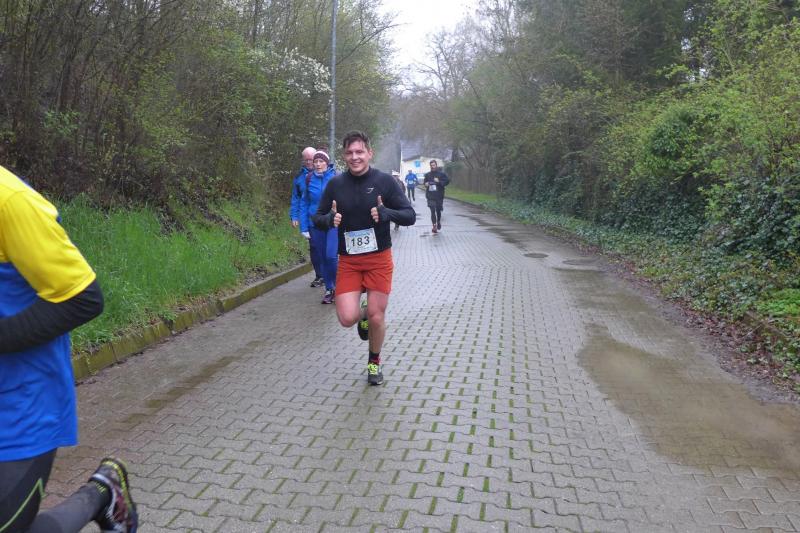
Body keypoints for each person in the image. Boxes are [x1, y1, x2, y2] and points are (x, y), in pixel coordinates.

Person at [0, 165, 138, 532]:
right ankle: (105, 491)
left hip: (20, 407)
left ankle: (101, 494)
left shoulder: (10, 200)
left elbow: (82, 299)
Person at [312, 131, 415, 385]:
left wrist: (386, 213)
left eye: (360, 151)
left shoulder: (385, 182)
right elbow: (317, 218)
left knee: (378, 316)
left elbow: (409, 215)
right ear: (344, 156)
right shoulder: (335, 184)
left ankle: (373, 363)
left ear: (370, 153)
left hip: (379, 259)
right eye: (349, 153)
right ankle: (364, 315)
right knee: (347, 318)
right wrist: (329, 220)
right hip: (349, 261)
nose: (355, 157)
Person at [299, 151, 338, 304]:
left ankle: (338, 285)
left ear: (327, 163)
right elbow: (304, 203)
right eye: (316, 161)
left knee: (331, 256)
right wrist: (304, 227)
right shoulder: (309, 179)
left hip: (333, 223)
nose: (318, 164)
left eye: (321, 161)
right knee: (322, 258)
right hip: (315, 224)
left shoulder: (335, 178)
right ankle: (330, 289)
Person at [290, 146, 324, 288]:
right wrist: (294, 216)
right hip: (310, 218)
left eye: (311, 159)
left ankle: (331, 274)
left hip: (327, 218)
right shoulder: (299, 178)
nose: (309, 162)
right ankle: (319, 276)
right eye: (306, 160)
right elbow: (296, 198)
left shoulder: (327, 174)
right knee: (314, 247)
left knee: (328, 248)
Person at [423, 159, 450, 234]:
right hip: (430, 195)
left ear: (436, 165)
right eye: (431, 165)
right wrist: (425, 184)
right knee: (432, 210)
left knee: (438, 210)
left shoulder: (441, 174)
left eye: (434, 165)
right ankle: (434, 226)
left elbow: (447, 181)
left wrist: (439, 181)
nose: (433, 167)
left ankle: (438, 221)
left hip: (439, 196)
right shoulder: (427, 175)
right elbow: (425, 183)